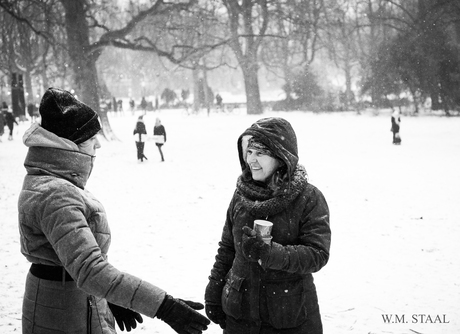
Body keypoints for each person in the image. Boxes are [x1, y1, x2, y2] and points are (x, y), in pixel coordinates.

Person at [18, 87, 210, 334]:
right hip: (64, 312)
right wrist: (165, 307)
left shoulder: (54, 181)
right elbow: (90, 269)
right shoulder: (56, 193)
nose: (97, 144)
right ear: (68, 145)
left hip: (73, 300)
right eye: (89, 139)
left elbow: (77, 261)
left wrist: (110, 295)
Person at [204, 117, 331, 334]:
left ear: (282, 157)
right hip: (240, 314)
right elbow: (227, 248)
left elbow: (317, 254)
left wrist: (272, 254)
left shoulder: (308, 198)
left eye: (260, 153)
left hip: (290, 316)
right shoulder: (241, 196)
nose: (251, 160)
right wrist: (214, 290)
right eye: (249, 152)